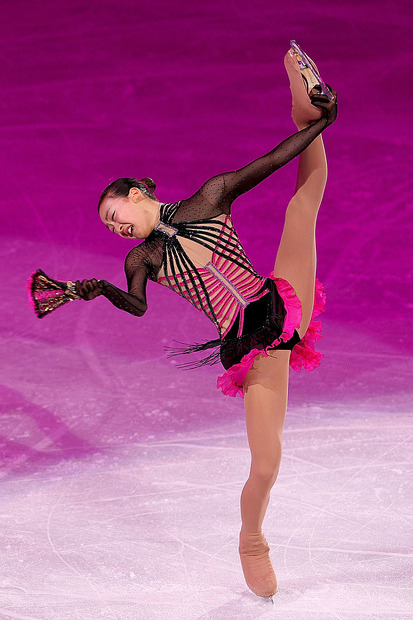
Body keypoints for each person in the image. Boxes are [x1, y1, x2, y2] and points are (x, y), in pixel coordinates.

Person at [75, 44, 337, 600]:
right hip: (250, 345)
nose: (114, 227)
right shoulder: (140, 260)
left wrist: (319, 126)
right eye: (107, 226)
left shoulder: (210, 197)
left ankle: (308, 112)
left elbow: (271, 162)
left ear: (138, 195)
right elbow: (139, 306)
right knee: (266, 463)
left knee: (301, 209)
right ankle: (251, 539)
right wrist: (101, 290)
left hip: (279, 299)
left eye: (114, 214)